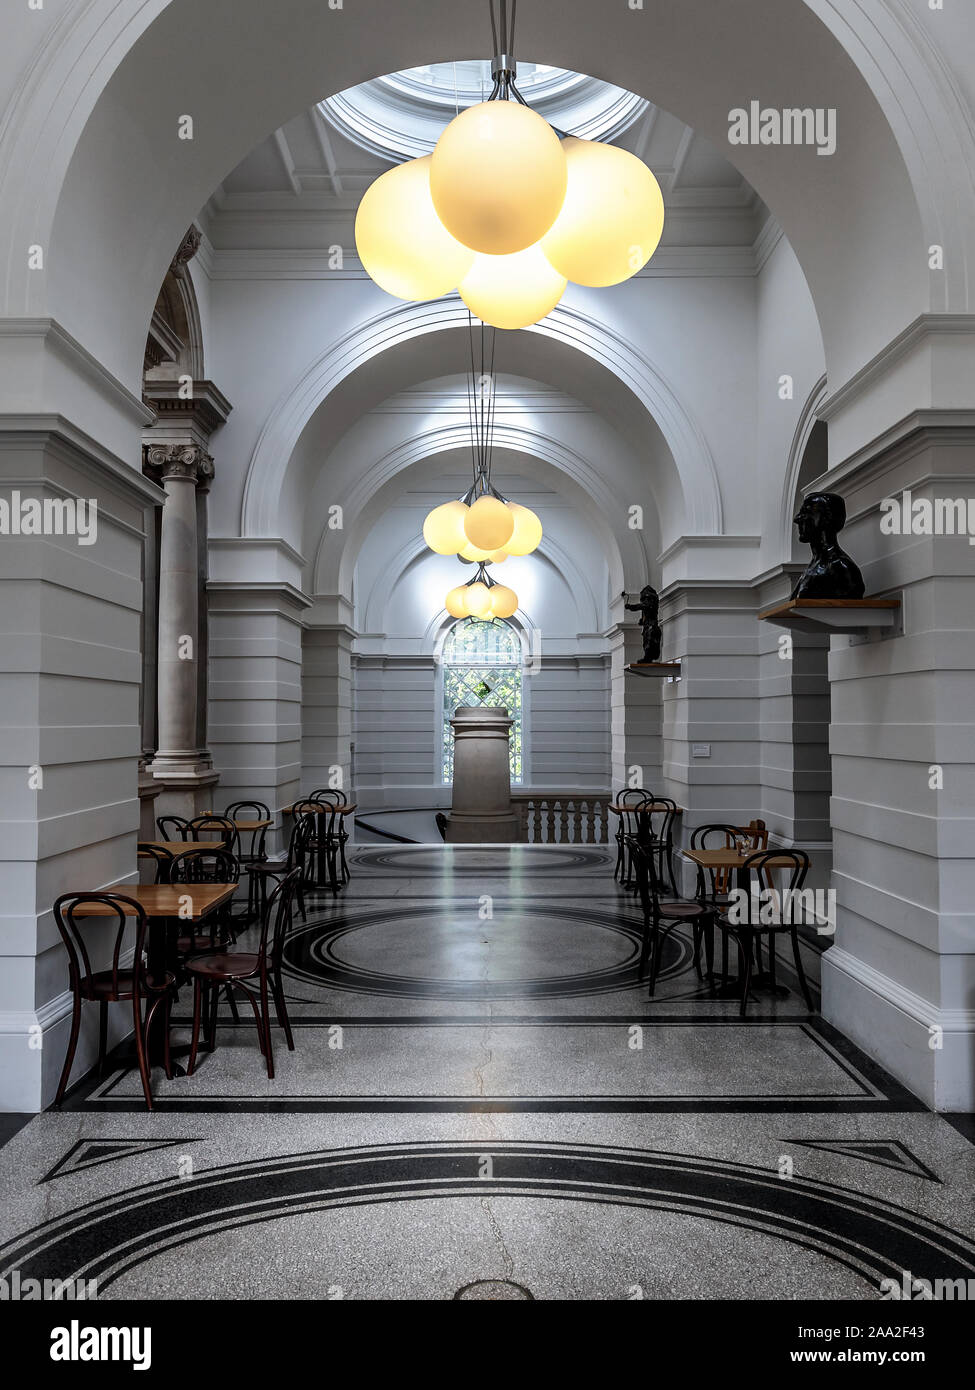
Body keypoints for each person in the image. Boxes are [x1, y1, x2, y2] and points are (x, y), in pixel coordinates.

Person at [791, 493, 865, 600]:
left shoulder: (841, 567)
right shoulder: (812, 567)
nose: (797, 519)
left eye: (806, 512)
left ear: (826, 518)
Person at [622, 584, 663, 662]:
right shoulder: (648, 605)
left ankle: (648, 658)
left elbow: (641, 606)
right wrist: (642, 621)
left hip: (651, 626)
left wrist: (630, 607)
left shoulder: (650, 604)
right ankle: (647, 658)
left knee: (649, 641)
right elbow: (646, 613)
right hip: (648, 626)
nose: (645, 600)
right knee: (646, 642)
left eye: (646, 598)